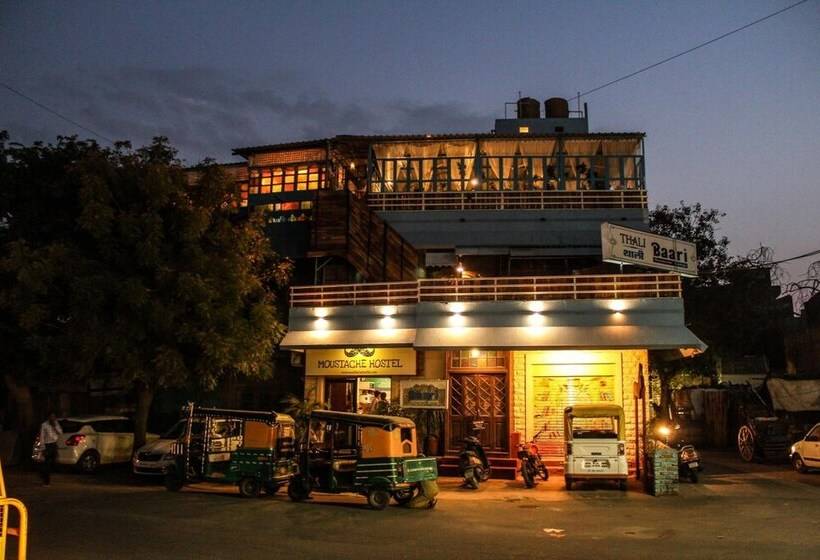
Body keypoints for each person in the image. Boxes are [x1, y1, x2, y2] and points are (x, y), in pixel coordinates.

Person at [39, 412, 62, 486]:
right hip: (47, 445)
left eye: (54, 416)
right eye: (51, 416)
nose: (53, 418)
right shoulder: (44, 425)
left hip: (54, 444)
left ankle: (44, 474)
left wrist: (55, 427)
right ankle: (46, 481)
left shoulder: (56, 423)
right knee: (47, 463)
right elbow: (42, 436)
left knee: (54, 462)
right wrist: (42, 448)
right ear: (48, 417)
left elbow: (60, 432)